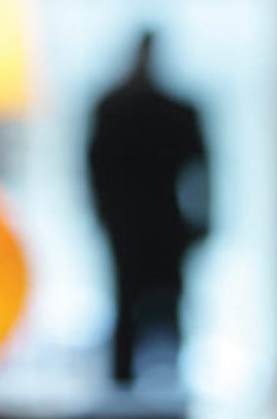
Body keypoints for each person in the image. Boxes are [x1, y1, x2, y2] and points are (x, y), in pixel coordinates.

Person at [87, 30, 210, 388]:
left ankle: (172, 387)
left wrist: (203, 221)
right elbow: (94, 170)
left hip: (162, 225)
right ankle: (126, 390)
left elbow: (202, 170)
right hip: (133, 226)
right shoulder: (113, 109)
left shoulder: (172, 110)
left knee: (170, 310)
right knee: (126, 313)